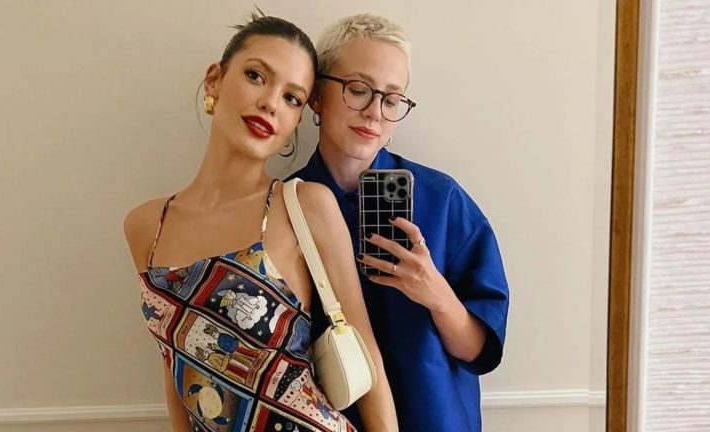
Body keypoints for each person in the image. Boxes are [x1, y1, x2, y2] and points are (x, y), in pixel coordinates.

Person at [123, 13, 397, 432]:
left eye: (292, 98)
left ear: (296, 121)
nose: (271, 102)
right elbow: (175, 362)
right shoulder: (146, 226)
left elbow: (366, 352)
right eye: (256, 76)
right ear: (214, 81)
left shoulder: (303, 205)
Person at [289, 13, 510, 432]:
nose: (374, 112)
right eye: (358, 90)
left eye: (392, 100)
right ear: (317, 95)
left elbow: (478, 350)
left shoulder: (442, 201)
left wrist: (435, 294)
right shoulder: (285, 208)